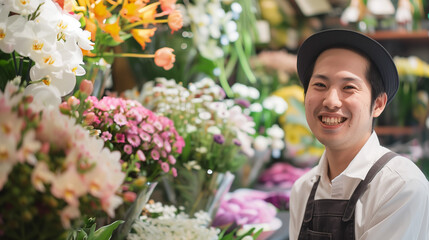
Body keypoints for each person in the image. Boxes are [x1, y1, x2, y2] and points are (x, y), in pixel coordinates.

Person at [289, 29, 429, 240]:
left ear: (378, 104)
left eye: (348, 87)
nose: (331, 101)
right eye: (320, 85)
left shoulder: (400, 186)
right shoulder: (302, 190)